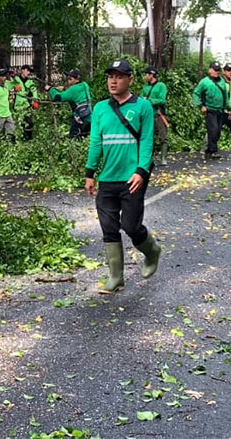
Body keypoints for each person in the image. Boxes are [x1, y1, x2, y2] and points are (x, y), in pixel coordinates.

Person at [84, 59, 161, 294]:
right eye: (110, 76)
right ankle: (116, 277)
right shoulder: (99, 108)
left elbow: (147, 140)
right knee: (108, 228)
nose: (113, 81)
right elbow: (96, 142)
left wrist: (141, 171)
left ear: (130, 79)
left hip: (133, 177)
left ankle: (151, 250)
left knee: (130, 226)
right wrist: (90, 173)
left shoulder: (143, 107)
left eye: (119, 76)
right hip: (108, 177)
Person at [192, 61, 231, 160]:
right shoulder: (204, 82)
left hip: (220, 110)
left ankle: (209, 150)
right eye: (215, 70)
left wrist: (228, 108)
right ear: (210, 70)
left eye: (218, 70)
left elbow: (225, 96)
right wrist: (201, 106)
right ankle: (212, 151)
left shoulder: (222, 81)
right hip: (210, 110)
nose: (217, 72)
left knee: (217, 131)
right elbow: (196, 94)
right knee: (213, 130)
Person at [49, 69, 93, 139]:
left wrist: (50, 89)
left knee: (73, 139)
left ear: (77, 80)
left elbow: (58, 97)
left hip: (79, 120)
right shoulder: (85, 85)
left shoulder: (73, 89)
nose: (68, 79)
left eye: (70, 78)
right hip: (90, 119)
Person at [142, 67, 169, 165]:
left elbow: (162, 100)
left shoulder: (161, 86)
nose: (145, 76)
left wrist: (151, 101)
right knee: (148, 136)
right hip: (148, 115)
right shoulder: (145, 86)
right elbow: (142, 97)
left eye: (146, 74)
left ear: (151, 75)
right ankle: (149, 157)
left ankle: (163, 158)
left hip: (159, 114)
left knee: (163, 136)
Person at [10, 65, 39, 141]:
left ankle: (29, 139)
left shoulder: (30, 82)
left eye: (29, 71)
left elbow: (34, 91)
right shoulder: (16, 79)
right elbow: (9, 84)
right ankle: (17, 140)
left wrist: (34, 100)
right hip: (17, 106)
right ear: (22, 70)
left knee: (29, 123)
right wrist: (14, 86)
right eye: (27, 70)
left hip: (26, 106)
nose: (28, 73)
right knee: (18, 124)